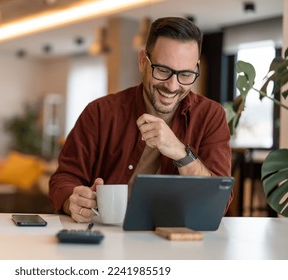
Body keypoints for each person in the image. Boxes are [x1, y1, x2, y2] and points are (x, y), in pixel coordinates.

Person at [49, 17, 232, 223]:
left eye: (186, 74)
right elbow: (63, 179)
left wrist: (180, 152)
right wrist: (72, 201)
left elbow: (218, 202)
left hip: (177, 238)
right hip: (107, 237)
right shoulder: (100, 112)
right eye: (163, 70)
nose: (172, 86)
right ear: (143, 62)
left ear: (196, 68)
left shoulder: (211, 116)